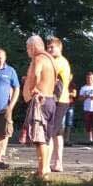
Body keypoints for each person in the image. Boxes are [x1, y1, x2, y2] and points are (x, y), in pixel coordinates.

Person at [21, 35, 58, 178]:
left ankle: (42, 171)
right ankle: (44, 168)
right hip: (49, 100)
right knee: (46, 138)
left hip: (40, 101)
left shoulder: (38, 58)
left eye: (27, 48)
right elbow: (54, 80)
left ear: (33, 46)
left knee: (40, 138)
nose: (27, 51)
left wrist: (32, 88)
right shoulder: (51, 59)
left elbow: (36, 74)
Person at [46, 37, 71, 172]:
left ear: (59, 48)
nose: (49, 50)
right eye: (48, 47)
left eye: (52, 47)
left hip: (58, 100)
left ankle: (46, 164)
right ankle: (58, 163)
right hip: (63, 99)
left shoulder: (58, 62)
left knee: (50, 132)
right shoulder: (60, 61)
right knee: (58, 133)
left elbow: (50, 80)